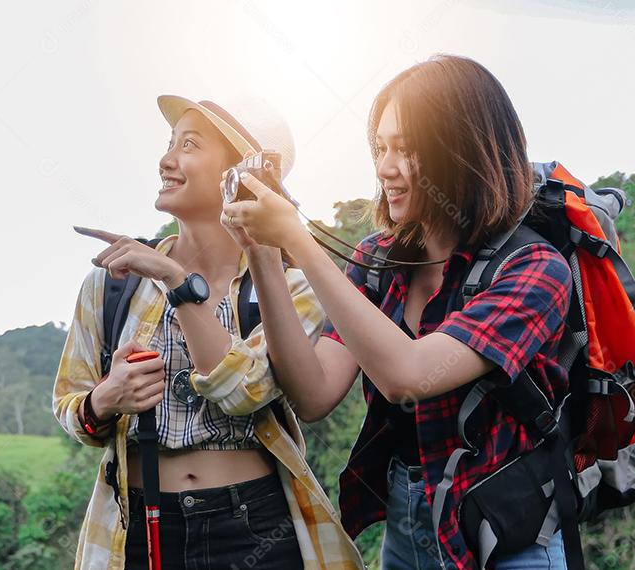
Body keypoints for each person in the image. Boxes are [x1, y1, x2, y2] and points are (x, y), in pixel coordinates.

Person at [221, 54, 574, 569]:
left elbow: (407, 375)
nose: (385, 168)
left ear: (464, 150)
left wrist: (298, 236)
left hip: (507, 532)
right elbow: (314, 392)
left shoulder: (535, 269)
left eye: (407, 150)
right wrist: (263, 253)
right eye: (380, 147)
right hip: (410, 524)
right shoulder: (378, 261)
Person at [53, 94, 363, 569]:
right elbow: (71, 407)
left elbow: (245, 392)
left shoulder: (288, 286)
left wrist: (179, 285)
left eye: (189, 145)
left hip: (253, 525)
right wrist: (106, 398)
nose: (166, 160)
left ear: (241, 173)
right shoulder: (113, 281)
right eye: (170, 143)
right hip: (140, 527)